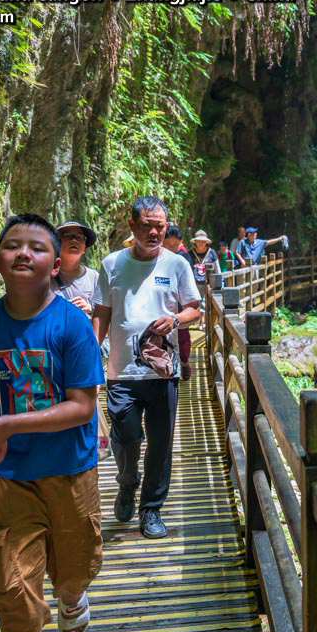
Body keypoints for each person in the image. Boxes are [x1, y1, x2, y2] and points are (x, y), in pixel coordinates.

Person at [0, 214, 105, 632]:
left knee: (75, 567)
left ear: (55, 264)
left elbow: (82, 406)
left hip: (70, 470)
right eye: (12, 245)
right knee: (14, 588)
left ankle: (72, 598)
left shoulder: (71, 326)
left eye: (36, 247)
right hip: (8, 477)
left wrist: (11, 425)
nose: (22, 253)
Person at [91, 197, 202, 539]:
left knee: (160, 443)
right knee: (126, 438)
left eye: (160, 226)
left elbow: (194, 309)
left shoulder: (177, 265)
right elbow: (102, 314)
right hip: (121, 371)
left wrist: (174, 319)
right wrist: (92, 354)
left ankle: (151, 509)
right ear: (133, 227)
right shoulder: (112, 265)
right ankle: (127, 483)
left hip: (162, 372)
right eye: (148, 225)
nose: (155, 232)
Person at [54, 220, 111, 461]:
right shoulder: (45, 279)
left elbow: (108, 316)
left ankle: (97, 445)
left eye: (80, 237)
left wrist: (89, 310)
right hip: (57, 350)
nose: (75, 240)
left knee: (88, 391)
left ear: (86, 247)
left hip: (90, 348)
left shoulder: (96, 278)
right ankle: (84, 445)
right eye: (67, 236)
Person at [162, 224, 192, 382]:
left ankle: (185, 362)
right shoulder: (156, 257)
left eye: (175, 244)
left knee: (182, 335)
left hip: (181, 304)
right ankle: (165, 366)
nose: (172, 248)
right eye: (168, 244)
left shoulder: (183, 259)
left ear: (180, 243)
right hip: (162, 303)